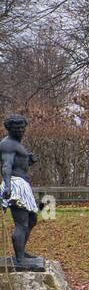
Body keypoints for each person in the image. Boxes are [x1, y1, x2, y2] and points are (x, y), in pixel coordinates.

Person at [1, 113, 44, 270]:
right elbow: (6, 166)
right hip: (15, 185)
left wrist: (28, 160)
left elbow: (17, 163)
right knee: (21, 223)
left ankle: (21, 252)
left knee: (32, 220)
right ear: (9, 129)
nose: (20, 130)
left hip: (23, 184)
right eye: (16, 128)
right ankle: (19, 260)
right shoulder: (7, 144)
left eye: (22, 127)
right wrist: (7, 186)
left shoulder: (16, 143)